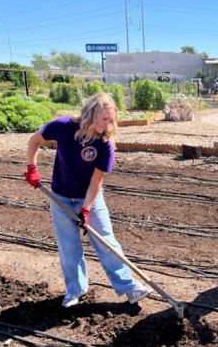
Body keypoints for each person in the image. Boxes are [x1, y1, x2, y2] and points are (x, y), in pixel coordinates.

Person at [24, 93, 150, 307]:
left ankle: (129, 287)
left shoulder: (105, 144)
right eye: (104, 119)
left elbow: (95, 182)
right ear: (91, 114)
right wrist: (31, 168)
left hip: (90, 197)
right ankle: (75, 289)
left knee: (106, 242)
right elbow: (34, 140)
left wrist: (86, 210)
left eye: (111, 120)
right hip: (60, 197)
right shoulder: (62, 126)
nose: (108, 124)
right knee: (68, 246)